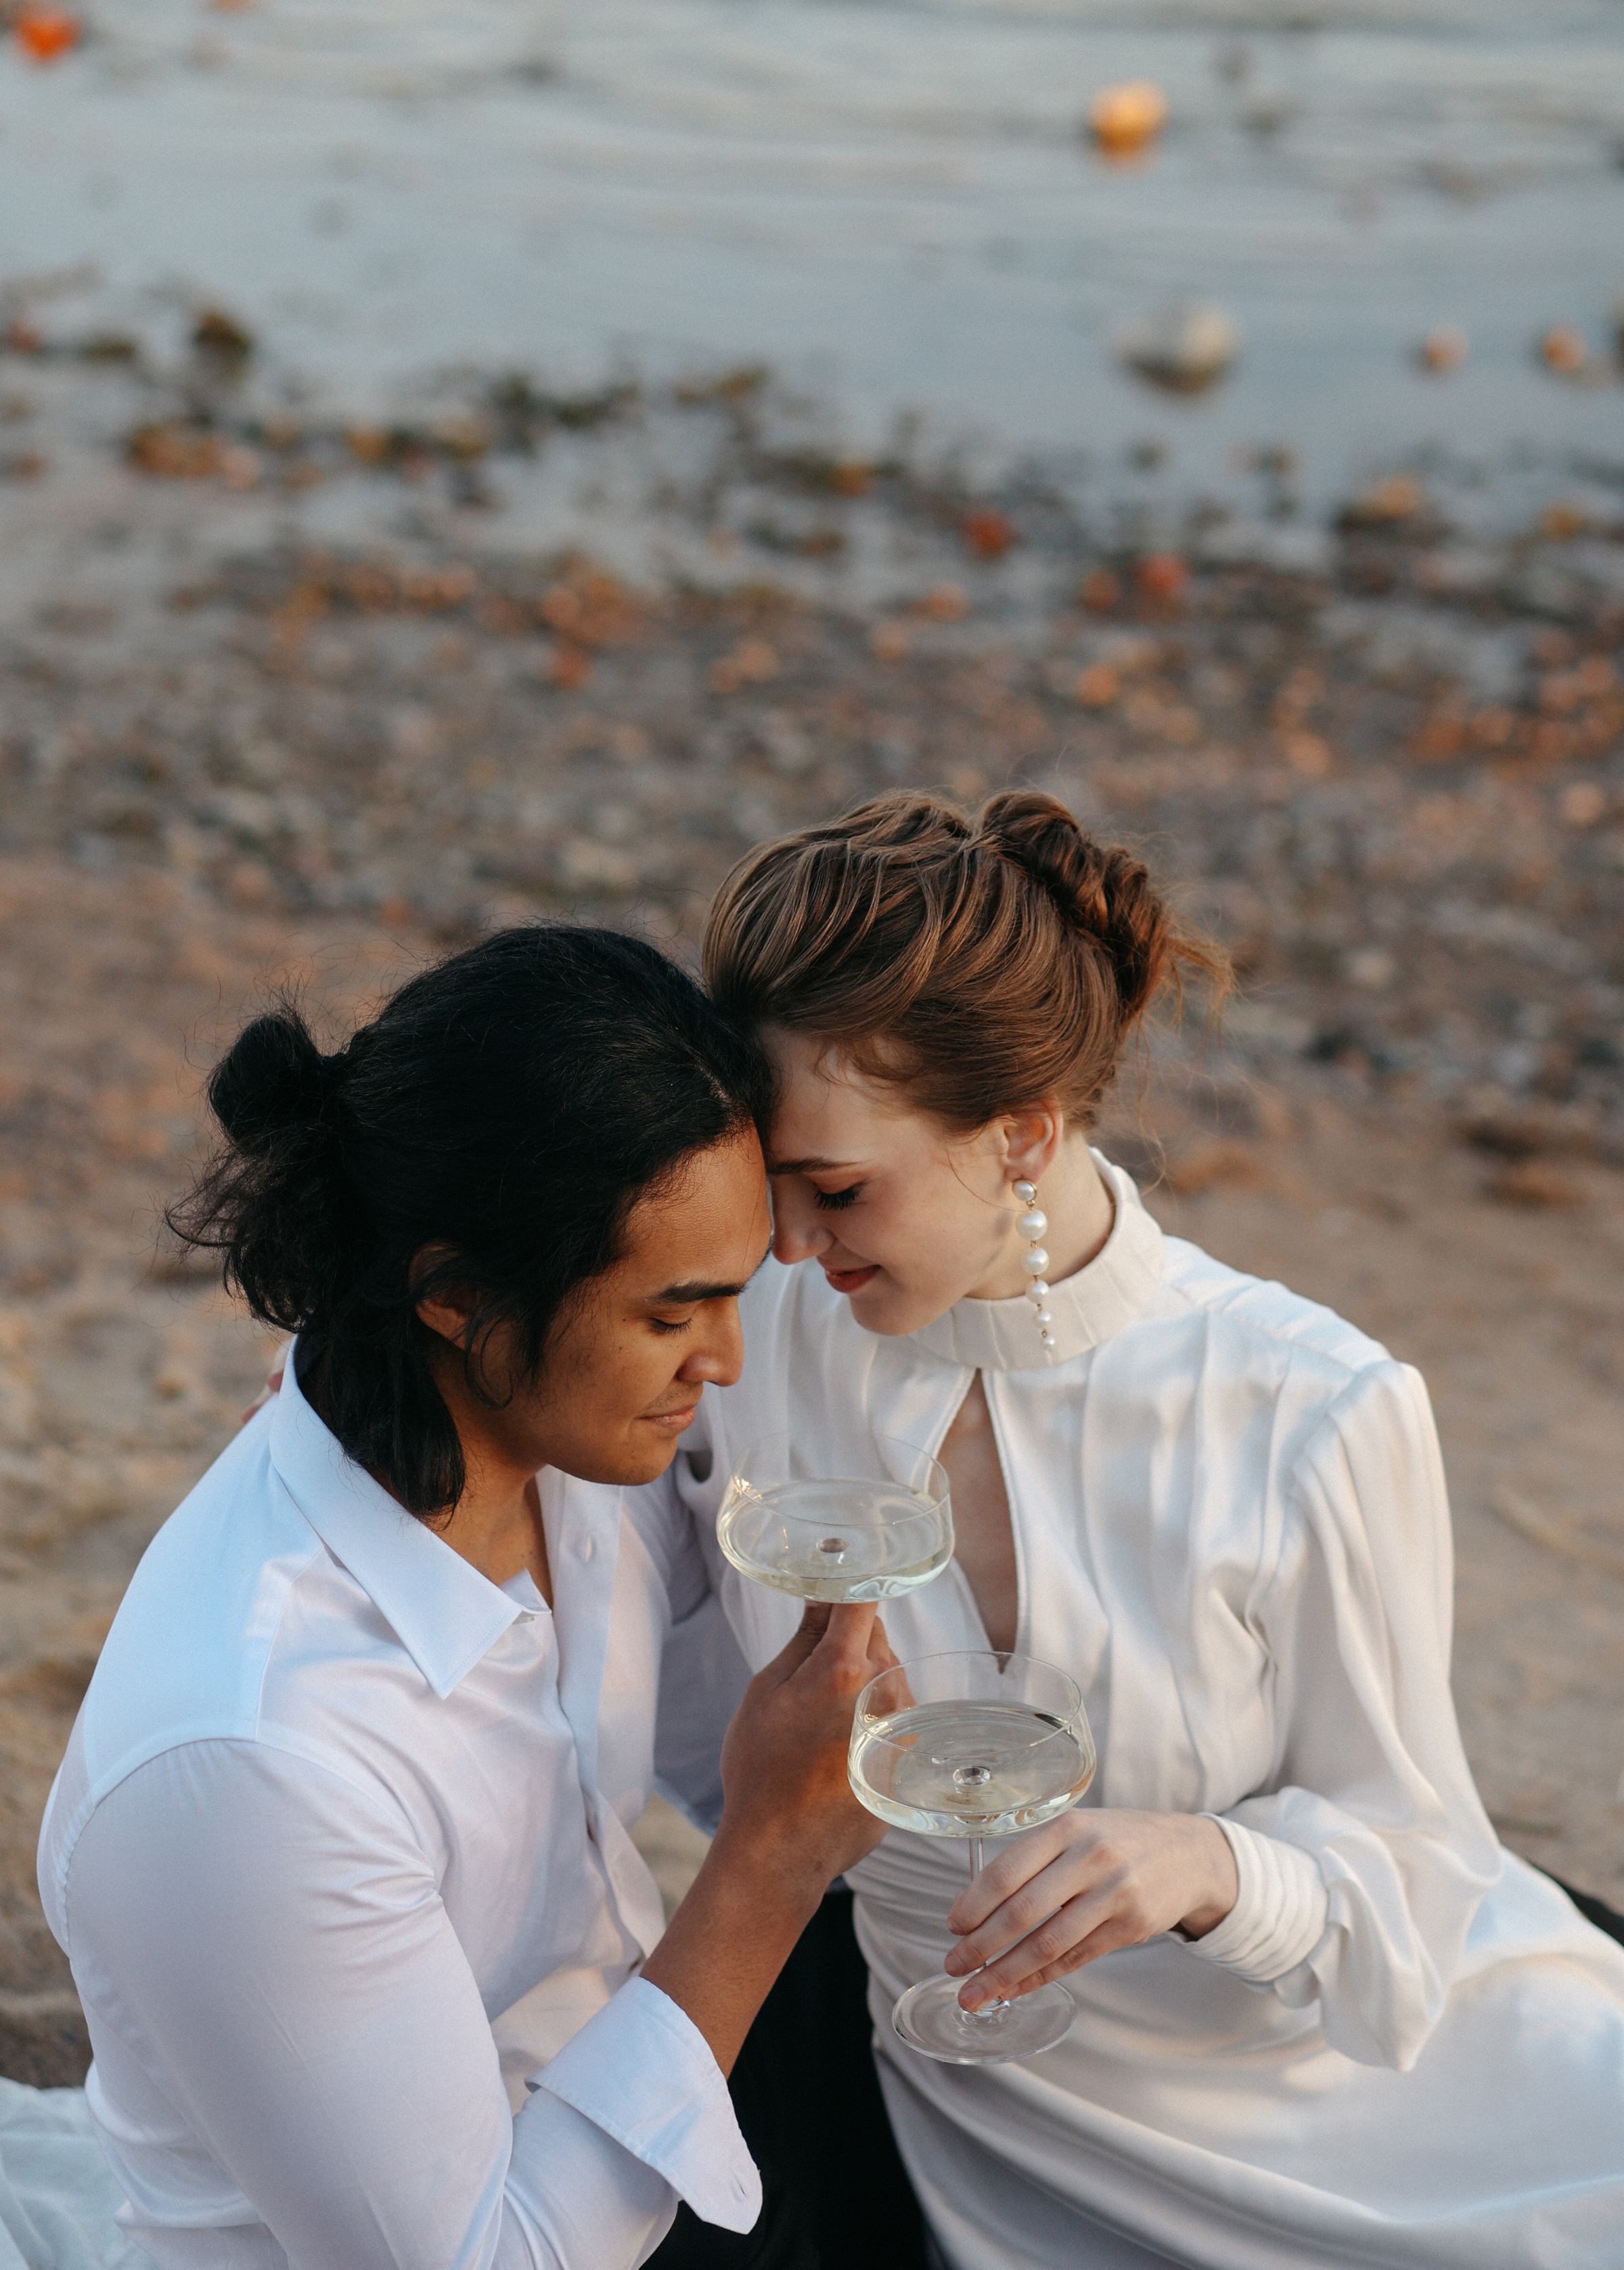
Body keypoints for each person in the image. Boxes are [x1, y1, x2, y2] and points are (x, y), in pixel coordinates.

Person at [654, 791, 1624, 2270]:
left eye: (837, 1188)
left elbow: (1414, 1879)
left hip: (1330, 2092)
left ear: (1023, 1134)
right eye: (766, 1182)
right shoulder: (756, 1333)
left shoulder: (1314, 1411)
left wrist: (1210, 1867)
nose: (785, 1243)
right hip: (966, 2107)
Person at [37, 925, 901, 2270]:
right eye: (673, 1317)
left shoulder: (557, 1450)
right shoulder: (258, 1762)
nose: (725, 1361)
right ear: (454, 1298)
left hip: (611, 2096)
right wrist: (770, 1859)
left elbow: (694, 1754)